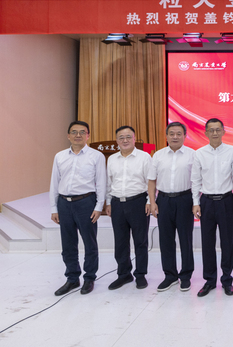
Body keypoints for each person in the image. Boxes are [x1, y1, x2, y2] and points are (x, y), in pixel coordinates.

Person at [50, 121, 106, 296]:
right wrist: (54, 207)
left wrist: (99, 206)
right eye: (74, 132)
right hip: (64, 203)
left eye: (82, 132)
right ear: (68, 136)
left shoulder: (96, 156)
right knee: (68, 244)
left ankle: (89, 278)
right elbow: (54, 182)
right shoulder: (59, 156)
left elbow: (101, 182)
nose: (78, 135)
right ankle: (72, 278)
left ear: (88, 135)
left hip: (86, 202)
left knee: (90, 243)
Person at [191, 118, 233, 297]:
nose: (215, 133)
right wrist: (196, 202)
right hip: (207, 202)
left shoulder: (232, 151)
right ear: (206, 133)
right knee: (207, 242)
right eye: (211, 130)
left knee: (227, 242)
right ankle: (209, 280)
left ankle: (227, 280)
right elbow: (196, 180)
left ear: (224, 131)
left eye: (218, 129)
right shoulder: (199, 153)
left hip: (226, 200)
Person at [148, 122, 195, 292]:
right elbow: (151, 180)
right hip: (164, 200)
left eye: (179, 134)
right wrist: (152, 201)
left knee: (185, 239)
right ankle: (170, 275)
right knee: (166, 239)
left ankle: (186, 275)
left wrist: (196, 202)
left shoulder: (193, 155)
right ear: (166, 136)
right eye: (172, 134)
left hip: (185, 199)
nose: (175, 137)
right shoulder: (158, 155)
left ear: (185, 136)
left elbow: (197, 181)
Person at [105, 126, 152, 290]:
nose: (124, 140)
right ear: (116, 140)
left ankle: (140, 275)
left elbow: (151, 181)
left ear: (134, 138)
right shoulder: (112, 159)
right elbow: (109, 182)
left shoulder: (144, 157)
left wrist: (149, 201)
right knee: (120, 241)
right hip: (117, 203)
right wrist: (108, 202)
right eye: (121, 137)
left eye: (128, 137)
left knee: (140, 241)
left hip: (138, 202)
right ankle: (124, 274)